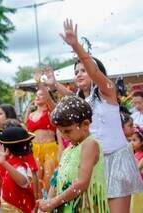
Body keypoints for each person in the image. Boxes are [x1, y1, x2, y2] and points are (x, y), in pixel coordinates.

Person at [45, 19, 143, 212]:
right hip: (91, 162)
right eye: (76, 71)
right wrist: (53, 85)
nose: (79, 73)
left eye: (83, 70)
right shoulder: (82, 102)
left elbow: (94, 70)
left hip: (115, 160)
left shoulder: (108, 91)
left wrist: (76, 47)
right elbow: (67, 102)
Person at [37, 95, 109, 212]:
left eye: (68, 131)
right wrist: (48, 200)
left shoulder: (90, 144)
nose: (64, 136)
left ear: (85, 124)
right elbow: (56, 177)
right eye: (61, 132)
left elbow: (81, 183)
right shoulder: (68, 149)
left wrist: (52, 203)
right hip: (67, 206)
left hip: (85, 207)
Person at [26, 69, 58, 193]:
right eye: (37, 95)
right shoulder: (31, 114)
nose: (38, 96)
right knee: (35, 179)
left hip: (50, 148)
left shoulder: (51, 111)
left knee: (49, 178)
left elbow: (49, 99)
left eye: (41, 95)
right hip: (34, 149)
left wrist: (39, 83)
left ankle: (49, 206)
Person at [0, 126, 36, 213]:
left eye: (1, 144)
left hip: (19, 207)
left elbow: (23, 182)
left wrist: (4, 163)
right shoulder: (4, 160)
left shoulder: (21, 163)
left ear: (7, 148)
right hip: (6, 204)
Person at [129, 126, 143, 213]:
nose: (131, 143)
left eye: (134, 140)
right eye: (130, 140)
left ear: (142, 142)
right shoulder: (134, 154)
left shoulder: (142, 156)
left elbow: (136, 170)